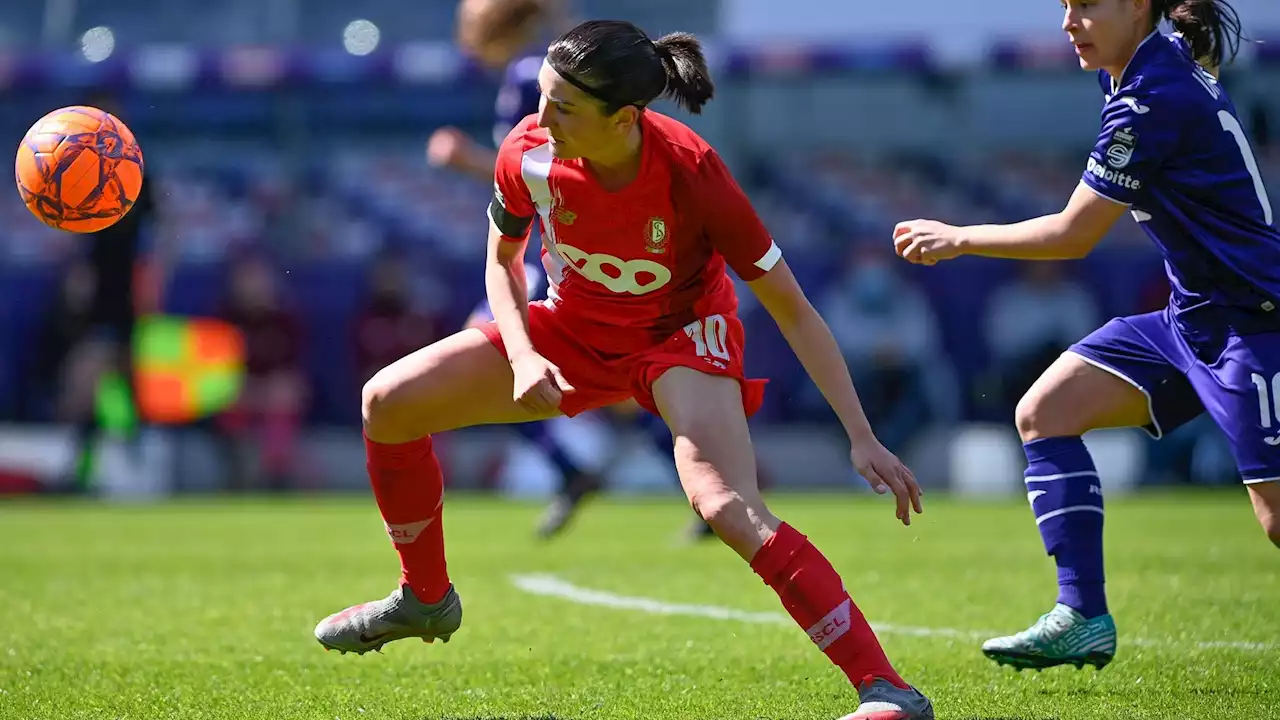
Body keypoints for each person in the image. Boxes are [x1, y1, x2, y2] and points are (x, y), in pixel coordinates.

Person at [315, 20, 932, 720]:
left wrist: (860, 433)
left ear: (625, 118)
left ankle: (887, 690)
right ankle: (425, 598)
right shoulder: (527, 150)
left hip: (679, 340)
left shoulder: (693, 173)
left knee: (726, 507)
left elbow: (790, 308)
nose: (540, 119)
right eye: (542, 98)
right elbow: (502, 264)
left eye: (563, 108)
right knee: (387, 402)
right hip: (572, 330)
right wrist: (521, 353)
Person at [892, 0, 1278, 673]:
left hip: (1255, 320)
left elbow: (1074, 234)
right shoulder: (1135, 68)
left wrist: (959, 238)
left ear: (1136, 7)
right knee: (1046, 412)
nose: (1069, 21)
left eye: (1086, 5)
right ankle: (1083, 616)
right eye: (1064, 6)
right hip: (1190, 319)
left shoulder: (1150, 95)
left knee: (1275, 520)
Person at [431, 0, 711, 540]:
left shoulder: (525, 76)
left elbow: (544, 169)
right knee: (622, 390)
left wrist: (463, 158)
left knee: (491, 353)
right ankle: (697, 487)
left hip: (554, 252)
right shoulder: (544, 66)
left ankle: (583, 473)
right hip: (568, 246)